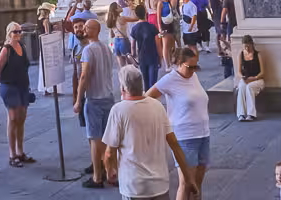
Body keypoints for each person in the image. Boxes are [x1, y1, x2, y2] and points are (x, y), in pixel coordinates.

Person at [102, 65, 195, 200]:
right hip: (159, 185)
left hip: (134, 187)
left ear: (123, 88)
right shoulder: (157, 106)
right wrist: (188, 178)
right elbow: (174, 145)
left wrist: (109, 170)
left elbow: (109, 153)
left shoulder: (118, 110)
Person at [147, 47, 210, 200]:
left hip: (203, 133)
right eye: (190, 67)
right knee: (187, 182)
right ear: (179, 64)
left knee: (198, 182)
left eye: (196, 66)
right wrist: (162, 118)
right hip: (185, 136)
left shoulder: (193, 76)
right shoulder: (170, 79)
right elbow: (147, 98)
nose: (194, 70)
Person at [73, 18, 119, 189]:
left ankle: (97, 176)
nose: (83, 29)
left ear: (95, 30)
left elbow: (84, 76)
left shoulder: (88, 50)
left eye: (86, 27)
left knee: (95, 139)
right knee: (109, 139)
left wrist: (78, 99)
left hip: (95, 98)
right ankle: (112, 171)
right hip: (108, 96)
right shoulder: (106, 48)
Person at [0, 20, 34, 166]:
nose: (18, 34)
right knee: (12, 118)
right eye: (15, 31)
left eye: (19, 31)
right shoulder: (6, 49)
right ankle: (12, 153)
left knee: (21, 118)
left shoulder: (22, 46)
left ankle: (20, 150)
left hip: (23, 86)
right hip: (10, 87)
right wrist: (4, 82)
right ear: (9, 33)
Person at [235, 36, 265, 121]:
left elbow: (262, 72)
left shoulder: (258, 55)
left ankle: (251, 114)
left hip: (257, 79)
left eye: (248, 46)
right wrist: (243, 77)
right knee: (241, 87)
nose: (247, 48)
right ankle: (241, 114)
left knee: (249, 87)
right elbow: (239, 71)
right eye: (245, 47)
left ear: (252, 45)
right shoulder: (241, 54)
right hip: (246, 78)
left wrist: (254, 78)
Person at [130, 8, 161, 90]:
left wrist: (134, 57)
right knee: (153, 82)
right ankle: (153, 99)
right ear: (145, 13)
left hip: (142, 56)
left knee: (145, 81)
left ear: (136, 15)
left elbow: (133, 46)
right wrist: (160, 57)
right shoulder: (152, 27)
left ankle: (147, 98)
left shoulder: (134, 28)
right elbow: (158, 43)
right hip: (153, 56)